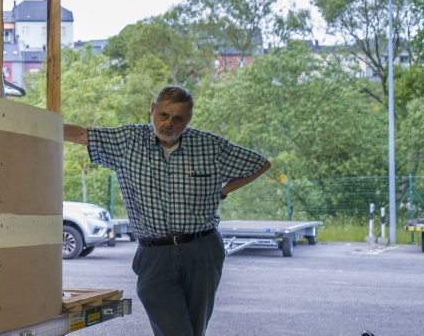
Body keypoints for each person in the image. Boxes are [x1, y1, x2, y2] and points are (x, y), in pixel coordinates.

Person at [63, 86, 270, 336]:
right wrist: (34, 123)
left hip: (201, 250)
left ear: (188, 120)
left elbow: (260, 164)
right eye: (163, 115)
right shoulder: (128, 141)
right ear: (152, 110)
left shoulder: (210, 146)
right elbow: (81, 134)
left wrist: (223, 191)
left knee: (194, 329)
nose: (168, 124)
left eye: (178, 119)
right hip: (154, 254)